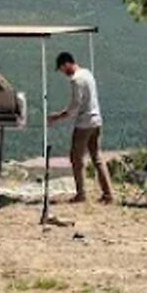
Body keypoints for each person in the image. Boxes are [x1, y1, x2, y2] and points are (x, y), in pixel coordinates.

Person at [47, 51, 114, 204]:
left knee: (76, 158)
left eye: (62, 69)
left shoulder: (76, 80)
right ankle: (108, 194)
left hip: (84, 123)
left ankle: (81, 194)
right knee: (97, 157)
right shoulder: (87, 73)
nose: (63, 72)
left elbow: (75, 107)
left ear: (67, 64)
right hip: (97, 120)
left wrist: (56, 116)